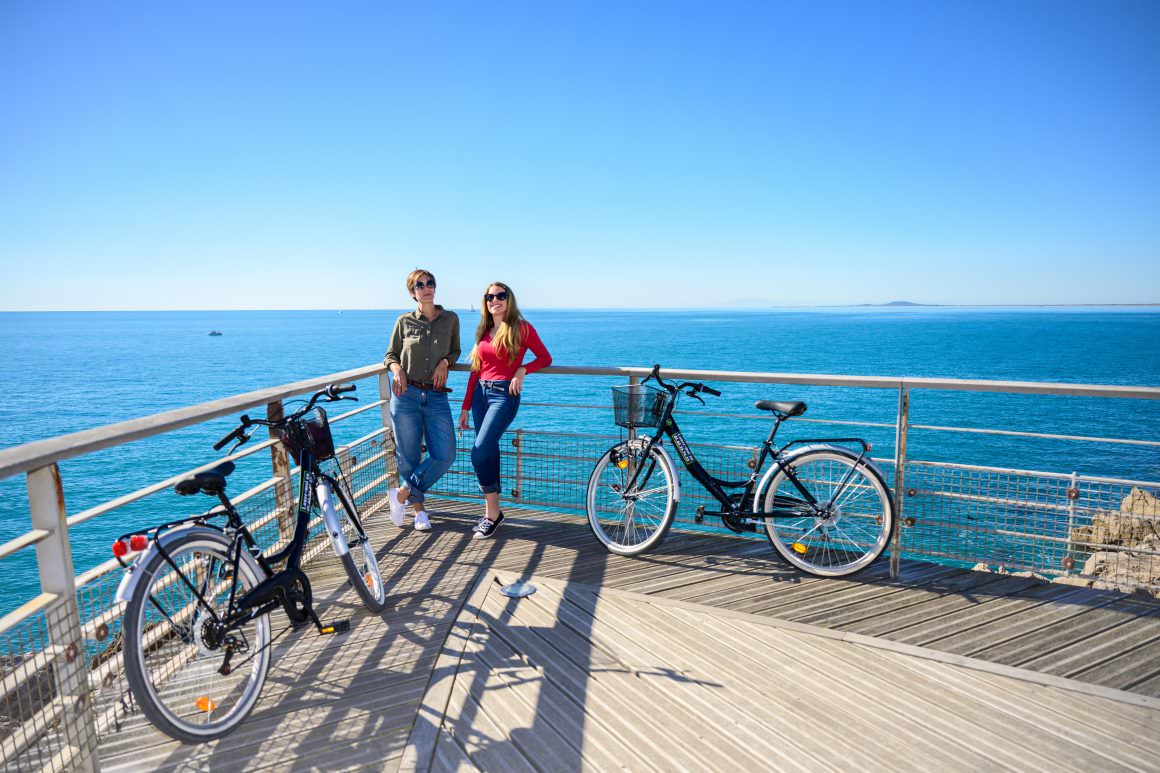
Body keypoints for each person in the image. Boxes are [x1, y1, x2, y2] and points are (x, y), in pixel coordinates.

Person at [458, 281, 552, 539]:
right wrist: (465, 406)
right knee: (488, 452)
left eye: (501, 295)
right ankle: (493, 514)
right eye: (490, 296)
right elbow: (475, 371)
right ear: (485, 302)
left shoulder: (522, 328)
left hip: (503, 395)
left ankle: (492, 513)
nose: (495, 300)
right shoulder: (484, 330)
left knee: (478, 452)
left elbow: (545, 358)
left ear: (509, 299)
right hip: (480, 395)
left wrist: (522, 370)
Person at [384, 269, 461, 532]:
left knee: (446, 454)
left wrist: (445, 362)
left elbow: (455, 350)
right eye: (420, 285)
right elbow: (390, 354)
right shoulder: (404, 322)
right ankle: (419, 512)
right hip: (406, 395)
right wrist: (396, 370)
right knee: (408, 455)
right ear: (412, 292)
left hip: (437, 396)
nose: (426, 288)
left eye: (430, 283)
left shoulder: (450, 319)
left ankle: (403, 493)